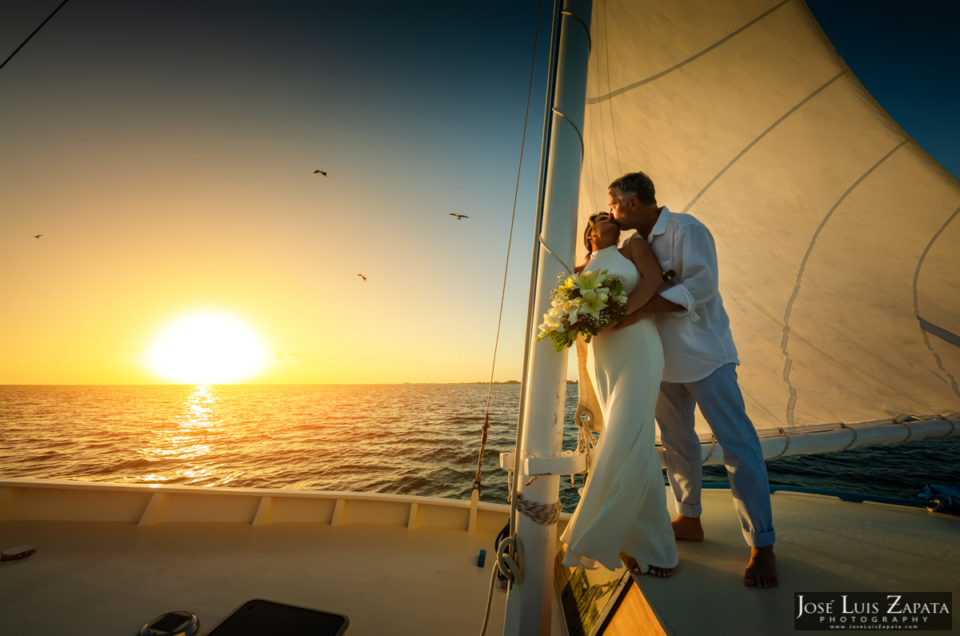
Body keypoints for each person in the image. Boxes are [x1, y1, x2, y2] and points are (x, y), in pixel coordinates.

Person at [607, 171, 778, 588]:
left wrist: (639, 312)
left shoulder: (686, 229)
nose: (612, 211)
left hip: (707, 358)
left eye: (614, 203)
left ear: (630, 203)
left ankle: (762, 545)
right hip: (662, 364)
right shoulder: (634, 247)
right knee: (678, 444)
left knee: (738, 446)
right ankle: (689, 517)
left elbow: (701, 286)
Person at [560, 211, 678, 578]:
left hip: (638, 345)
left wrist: (622, 315)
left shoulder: (632, 248)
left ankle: (655, 549)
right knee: (624, 437)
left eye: (610, 212)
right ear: (590, 233)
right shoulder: (578, 271)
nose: (607, 214)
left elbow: (653, 281)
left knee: (632, 437)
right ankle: (630, 539)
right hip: (603, 355)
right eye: (598, 215)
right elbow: (571, 312)